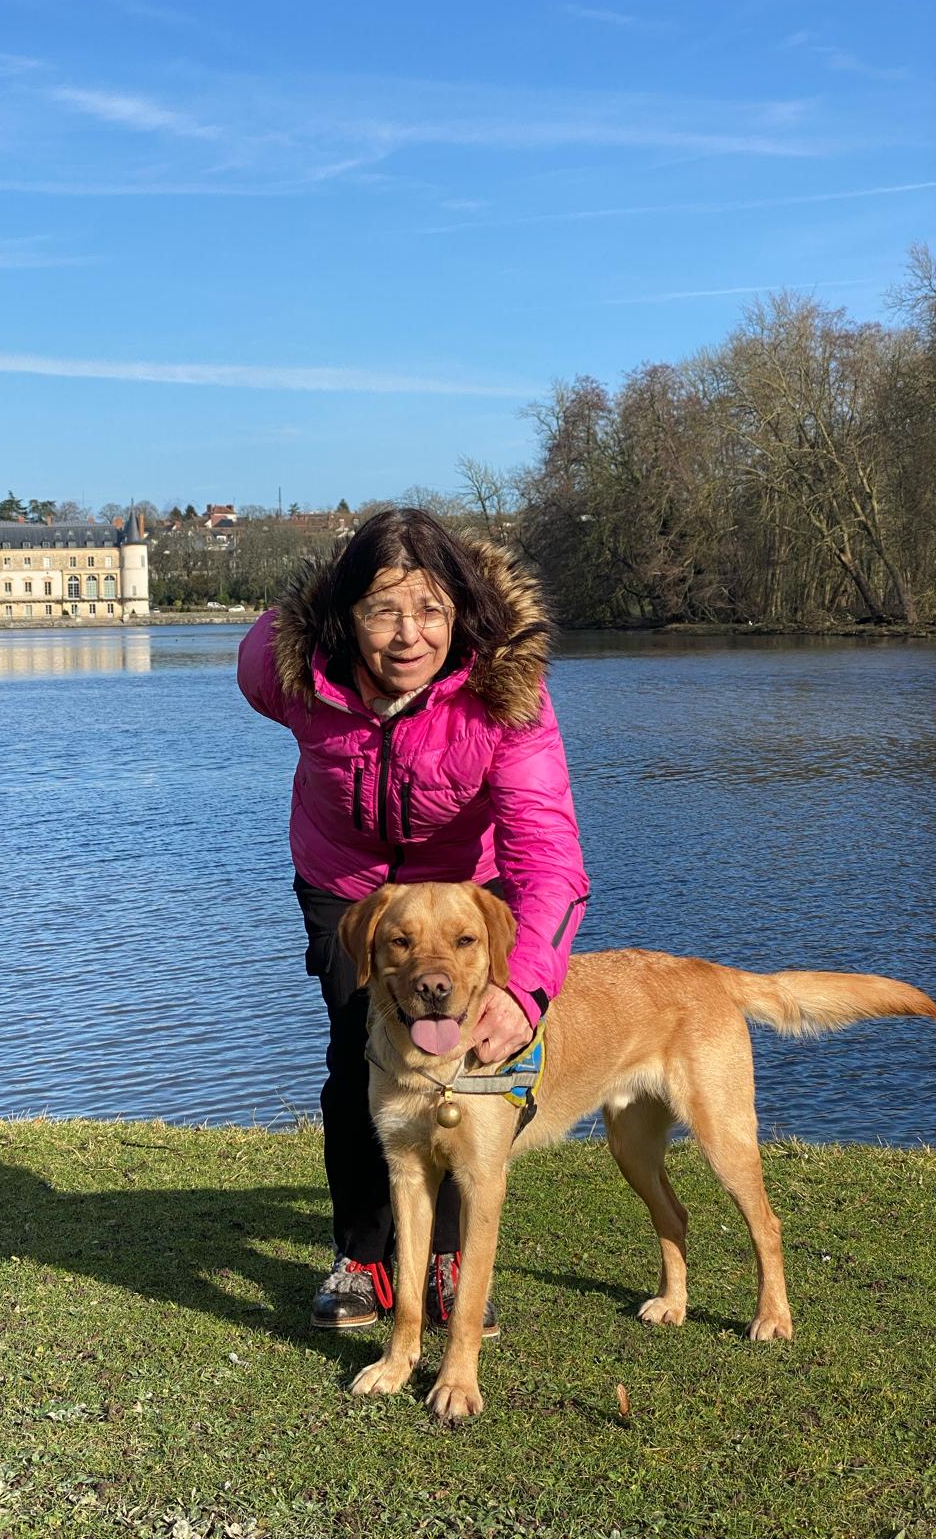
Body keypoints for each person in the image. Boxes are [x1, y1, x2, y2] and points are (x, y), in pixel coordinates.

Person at [237, 507, 588, 1332]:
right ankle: (364, 1257)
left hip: (470, 890)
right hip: (346, 885)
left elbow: (552, 858)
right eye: (382, 609)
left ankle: (447, 1261)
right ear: (343, 617)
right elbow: (254, 658)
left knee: (477, 1065)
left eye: (430, 609)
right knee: (357, 1053)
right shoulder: (290, 672)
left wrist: (528, 992)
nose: (408, 635)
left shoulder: (507, 694)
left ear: (461, 612)